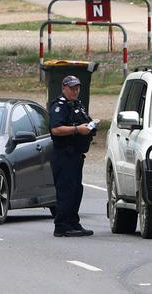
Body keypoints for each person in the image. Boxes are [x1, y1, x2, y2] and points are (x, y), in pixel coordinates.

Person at [49, 75, 98, 237]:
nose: (75, 91)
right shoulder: (59, 106)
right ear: (64, 88)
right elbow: (56, 129)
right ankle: (62, 225)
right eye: (71, 88)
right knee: (66, 191)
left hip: (76, 154)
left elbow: (83, 121)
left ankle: (73, 222)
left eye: (77, 88)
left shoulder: (77, 104)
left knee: (76, 190)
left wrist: (90, 127)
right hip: (64, 154)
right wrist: (77, 129)